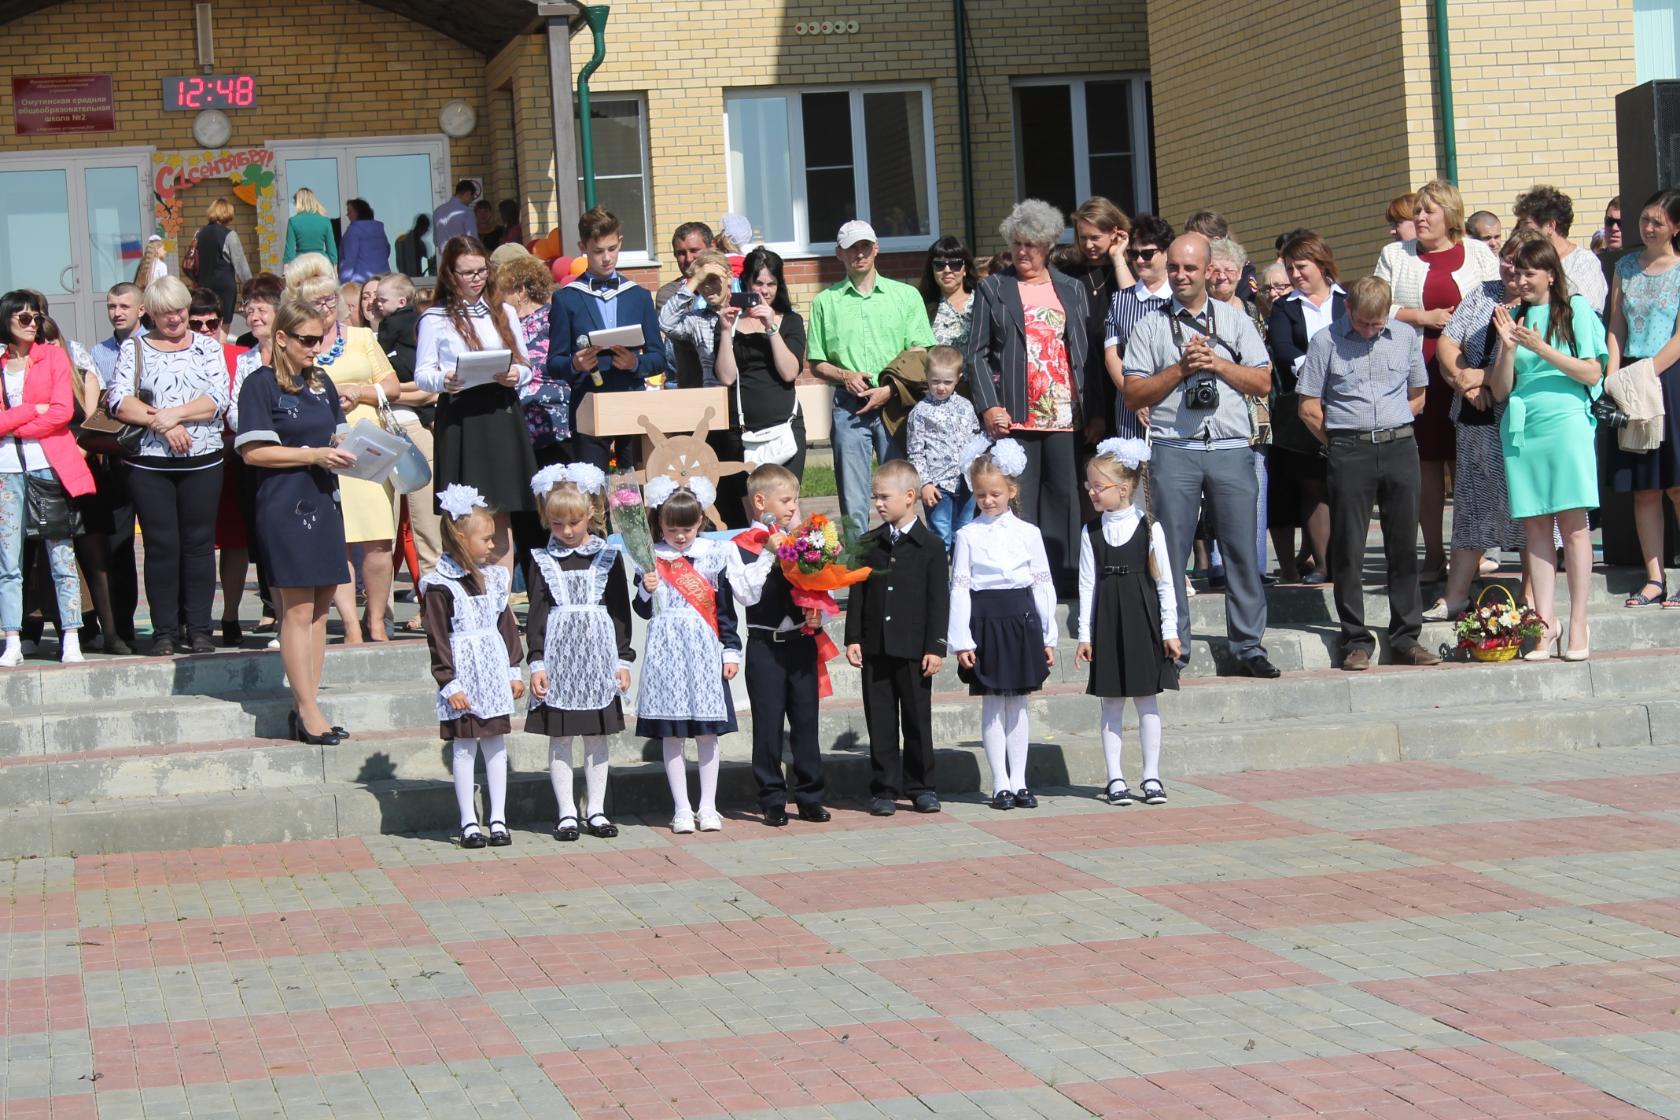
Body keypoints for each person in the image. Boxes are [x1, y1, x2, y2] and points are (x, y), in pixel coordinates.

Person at [1124, 232, 1278, 677]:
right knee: (1171, 553)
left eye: (1190, 268)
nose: (1180, 275)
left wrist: (1217, 364)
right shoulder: (1150, 325)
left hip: (1229, 446)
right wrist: (1180, 369)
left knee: (1241, 551)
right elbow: (1134, 394)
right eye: (1173, 267)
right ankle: (1175, 648)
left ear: (1208, 270)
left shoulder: (1234, 320)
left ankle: (1248, 647)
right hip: (1174, 447)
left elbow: (1263, 382)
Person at [1295, 276, 1439, 670]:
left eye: (1377, 324)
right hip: (1349, 448)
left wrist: (1392, 422)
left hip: (1399, 446)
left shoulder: (1404, 336)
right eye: (1362, 323)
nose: (1370, 331)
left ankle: (1406, 637)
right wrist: (1340, 441)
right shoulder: (1325, 341)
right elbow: (1308, 406)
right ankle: (1355, 639)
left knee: (1404, 546)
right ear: (1347, 308)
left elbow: (1419, 394)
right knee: (1348, 548)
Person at [235, 299, 354, 742]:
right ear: (281, 338)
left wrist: (353, 446)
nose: (315, 348)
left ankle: (307, 705)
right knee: (298, 608)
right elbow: (253, 453)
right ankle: (306, 710)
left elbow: (338, 431)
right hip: (285, 503)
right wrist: (312, 454)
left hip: (324, 498)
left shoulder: (320, 382)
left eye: (320, 339)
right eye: (306, 340)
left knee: (321, 609)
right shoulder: (260, 384)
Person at [1375, 180, 1500, 583]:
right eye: (1417, 211)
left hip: (1469, 369)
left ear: (1450, 215)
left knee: (1469, 464)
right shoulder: (1395, 254)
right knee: (1427, 464)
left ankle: (1471, 554)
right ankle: (1433, 554)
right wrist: (1421, 316)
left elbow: (1500, 299)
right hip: (1417, 368)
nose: (1420, 217)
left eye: (1429, 210)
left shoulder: (1478, 253)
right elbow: (1377, 305)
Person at [1489, 239, 1608, 661]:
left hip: (1566, 421)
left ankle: (1577, 622)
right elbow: (1499, 389)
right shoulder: (1513, 316)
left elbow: (1592, 371)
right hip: (1524, 426)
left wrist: (1542, 349)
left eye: (1529, 273)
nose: (1520, 280)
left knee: (1573, 525)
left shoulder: (1575, 310)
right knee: (1536, 527)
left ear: (1551, 274)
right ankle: (1544, 622)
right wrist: (1507, 349)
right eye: (1516, 272)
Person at [965, 200, 1091, 592]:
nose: (1023, 251)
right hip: (1015, 413)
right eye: (1017, 243)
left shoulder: (1071, 288)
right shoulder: (993, 288)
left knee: (1064, 495)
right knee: (1020, 495)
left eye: (1031, 245)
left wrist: (1096, 411)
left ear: (1048, 246)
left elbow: (1085, 352)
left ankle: (1064, 576)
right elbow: (975, 354)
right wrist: (989, 405)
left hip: (1065, 412)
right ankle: (1022, 576)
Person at [1429, 228, 1549, 620]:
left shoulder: (1541, 303)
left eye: (1521, 263)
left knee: (1529, 510)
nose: (1512, 270)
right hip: (1476, 420)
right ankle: (1455, 595)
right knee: (1471, 506)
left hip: (1520, 420)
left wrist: (1481, 376)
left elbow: (1528, 363)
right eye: (1507, 260)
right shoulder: (1484, 293)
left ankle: (1532, 598)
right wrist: (1463, 380)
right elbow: (1448, 342)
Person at [107, 276, 230, 655]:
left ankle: (200, 629)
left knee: (198, 545)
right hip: (149, 463)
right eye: (165, 313)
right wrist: (164, 424)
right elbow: (119, 401)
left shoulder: (208, 347)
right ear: (152, 315)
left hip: (203, 460)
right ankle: (164, 631)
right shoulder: (135, 347)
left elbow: (218, 399)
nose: (174, 319)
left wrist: (174, 415)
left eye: (179, 311)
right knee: (161, 546)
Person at [633, 477, 762, 834]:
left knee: (707, 733)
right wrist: (646, 590)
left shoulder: (713, 554)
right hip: (667, 650)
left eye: (687, 528)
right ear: (660, 523)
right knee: (672, 734)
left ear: (700, 521)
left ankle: (708, 806)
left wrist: (731, 651)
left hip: (705, 649)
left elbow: (725, 610)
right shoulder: (650, 556)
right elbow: (642, 610)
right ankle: (681, 808)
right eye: (672, 529)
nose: (680, 536)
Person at [285, 253, 401, 642]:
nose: (327, 307)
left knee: (378, 539)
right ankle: (351, 625)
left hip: (369, 447)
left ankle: (377, 620)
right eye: (317, 302)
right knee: (339, 541)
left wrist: (358, 390)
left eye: (331, 299)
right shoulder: (297, 345)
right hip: (325, 449)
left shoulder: (362, 338)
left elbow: (392, 385)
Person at [416, 236, 538, 571]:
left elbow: (527, 365)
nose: (476, 278)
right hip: (461, 415)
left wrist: (516, 374)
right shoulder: (435, 317)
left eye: (482, 271)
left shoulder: (504, 311)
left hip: (500, 410)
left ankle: (501, 599)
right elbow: (423, 374)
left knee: (501, 510)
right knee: (465, 513)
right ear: (450, 274)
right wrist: (444, 380)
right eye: (467, 273)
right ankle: (470, 588)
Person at [948, 439, 1057, 809]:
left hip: (1022, 619)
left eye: (995, 493)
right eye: (981, 494)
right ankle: (1000, 783)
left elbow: (1042, 584)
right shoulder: (967, 535)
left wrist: (1048, 635)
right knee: (993, 702)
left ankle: (1020, 781)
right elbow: (959, 589)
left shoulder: (1029, 533)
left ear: (1012, 490)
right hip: (986, 621)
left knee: (1019, 703)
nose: (988, 500)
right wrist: (962, 640)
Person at [526, 465, 632, 842]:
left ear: (590, 513)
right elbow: (536, 613)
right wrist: (536, 661)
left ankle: (597, 809)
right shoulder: (543, 559)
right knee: (561, 737)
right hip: (560, 658)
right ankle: (566, 811)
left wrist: (623, 659)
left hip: (598, 657)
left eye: (573, 522)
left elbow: (619, 611)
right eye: (557, 524)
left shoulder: (606, 556)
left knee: (596, 734)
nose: (567, 531)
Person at [809, 219, 935, 535]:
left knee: (900, 491)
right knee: (853, 497)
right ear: (839, 253)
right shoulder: (825, 301)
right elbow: (816, 361)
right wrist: (844, 374)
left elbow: (921, 352)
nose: (859, 254)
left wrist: (890, 388)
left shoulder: (905, 296)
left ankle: (902, 554)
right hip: (848, 405)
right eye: (852, 248)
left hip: (895, 403)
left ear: (876, 248)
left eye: (865, 246)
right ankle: (859, 560)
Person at [1075, 438, 1179, 806]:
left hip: (1141, 617)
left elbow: (1165, 583)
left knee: (1146, 700)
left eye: (1098, 486)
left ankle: (1151, 776)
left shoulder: (1149, 527)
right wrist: (1084, 634)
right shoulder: (1090, 532)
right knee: (1112, 703)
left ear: (1123, 488)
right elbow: (1086, 585)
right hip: (1108, 619)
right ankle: (1115, 778)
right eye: (1088, 486)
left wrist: (1170, 630)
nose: (1091, 492)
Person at [846, 459, 948, 815]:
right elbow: (858, 593)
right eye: (875, 497)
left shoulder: (930, 546)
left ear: (909, 496)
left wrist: (936, 646)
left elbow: (938, 600)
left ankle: (922, 785)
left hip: (914, 648)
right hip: (876, 646)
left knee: (917, 719)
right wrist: (853, 637)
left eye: (884, 497)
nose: (878, 504)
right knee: (881, 718)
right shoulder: (868, 543)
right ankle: (884, 787)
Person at [424, 484, 524, 848]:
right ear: (461, 540)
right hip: (464, 675)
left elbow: (505, 624)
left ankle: (498, 818)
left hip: (492, 670)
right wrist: (449, 683)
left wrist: (513, 670)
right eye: (486, 539)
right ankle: (468, 821)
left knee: (495, 744)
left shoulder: (494, 578)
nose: (492, 545)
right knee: (464, 747)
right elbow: (437, 637)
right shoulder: (440, 585)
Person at [0, 291, 93, 666]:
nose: (32, 323)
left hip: (47, 464)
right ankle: (12, 637)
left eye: (35, 317)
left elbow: (61, 411)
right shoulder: (0, 364)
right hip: (7, 469)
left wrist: (15, 426)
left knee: (60, 552)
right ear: (6, 320)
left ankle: (71, 635)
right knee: (8, 559)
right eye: (23, 318)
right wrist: (28, 410)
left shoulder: (53, 356)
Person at [737, 464, 828, 826]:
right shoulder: (742, 545)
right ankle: (772, 798)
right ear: (761, 502)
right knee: (768, 723)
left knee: (806, 721)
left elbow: (820, 587)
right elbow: (746, 594)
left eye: (795, 500)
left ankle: (810, 795)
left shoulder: (803, 539)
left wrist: (818, 613)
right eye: (786, 500)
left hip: (801, 642)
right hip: (765, 646)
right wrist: (769, 553)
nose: (793, 507)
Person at [546, 207, 668, 472]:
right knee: (592, 486)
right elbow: (553, 362)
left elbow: (659, 357)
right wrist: (575, 364)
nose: (606, 258)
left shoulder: (638, 296)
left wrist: (635, 363)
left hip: (632, 403)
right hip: (588, 403)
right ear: (583, 247)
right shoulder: (566, 299)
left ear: (620, 242)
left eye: (612, 249)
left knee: (635, 484)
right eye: (598, 251)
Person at [1608, 190, 1680, 608]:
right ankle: (1655, 578)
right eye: (1645, 220)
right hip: (1631, 377)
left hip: (1669, 377)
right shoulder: (1625, 267)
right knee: (1644, 487)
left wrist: (1646, 373)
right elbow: (1616, 324)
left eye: (1658, 222)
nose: (1648, 228)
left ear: (1676, 227)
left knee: (1676, 485)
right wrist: (1614, 375)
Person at [1267, 232, 1345, 584]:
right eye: (1290, 268)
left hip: (1349, 400)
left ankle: (1347, 562)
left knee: (1346, 485)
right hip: (1307, 403)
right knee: (1313, 486)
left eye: (1301, 267)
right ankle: (1325, 564)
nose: (1295, 275)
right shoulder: (1285, 307)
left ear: (1322, 263)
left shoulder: (1346, 300)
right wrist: (1314, 373)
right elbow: (1283, 348)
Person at [187, 286, 250, 647]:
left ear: (222, 322)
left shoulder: (239, 356)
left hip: (235, 458)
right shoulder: (178, 356)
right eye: (196, 324)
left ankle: (230, 615)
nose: (204, 330)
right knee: (196, 544)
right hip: (191, 458)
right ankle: (196, 617)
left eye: (211, 323)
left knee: (235, 543)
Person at [373, 272, 439, 606]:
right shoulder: (406, 325)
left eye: (379, 298)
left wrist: (377, 391)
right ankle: (385, 610)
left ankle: (433, 605)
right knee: (387, 532)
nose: (374, 304)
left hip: (409, 427)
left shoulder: (395, 327)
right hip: (389, 428)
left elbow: (425, 387)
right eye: (370, 298)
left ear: (400, 301)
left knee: (423, 527)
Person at [1103, 214, 1176, 440]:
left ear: (1167, 253)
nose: (1140, 260)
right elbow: (1112, 356)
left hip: (1176, 404)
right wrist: (1135, 396)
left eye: (1147, 254)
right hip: (1132, 408)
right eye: (1134, 254)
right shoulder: (1120, 300)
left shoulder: (1181, 297)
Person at [906, 345, 980, 548]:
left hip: (967, 481)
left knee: (965, 533)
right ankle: (939, 569)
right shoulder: (920, 412)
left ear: (958, 378)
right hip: (938, 485)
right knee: (940, 535)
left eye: (947, 382)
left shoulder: (966, 406)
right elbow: (915, 452)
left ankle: (961, 569)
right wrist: (925, 484)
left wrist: (978, 471)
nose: (941, 387)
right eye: (935, 381)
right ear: (926, 376)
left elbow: (976, 441)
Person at [1514, 185, 1609, 315]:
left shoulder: (1583, 261)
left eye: (1526, 223)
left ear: (1550, 226)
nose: (1520, 230)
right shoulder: (1525, 260)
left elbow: (1589, 312)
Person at [193, 198, 252, 322]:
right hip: (224, 287)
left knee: (208, 322)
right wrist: (251, 287)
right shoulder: (230, 235)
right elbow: (241, 266)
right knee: (224, 324)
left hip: (204, 286)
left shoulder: (200, 234)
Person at [918, 236, 977, 347]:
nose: (947, 270)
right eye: (939, 265)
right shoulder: (922, 307)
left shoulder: (982, 302)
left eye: (955, 264)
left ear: (965, 269)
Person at [654, 221, 715, 314]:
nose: (688, 259)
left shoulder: (732, 284)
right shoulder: (669, 294)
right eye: (681, 253)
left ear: (712, 247)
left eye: (694, 250)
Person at [91, 283, 145, 387]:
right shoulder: (98, 352)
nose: (117, 313)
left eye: (124, 307)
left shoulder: (156, 345)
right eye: (112, 307)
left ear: (141, 310)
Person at [338, 199, 390, 283]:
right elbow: (387, 250)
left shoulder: (353, 231)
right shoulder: (379, 230)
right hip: (383, 278)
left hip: (362, 282)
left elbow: (349, 259)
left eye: (349, 211)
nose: (347, 215)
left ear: (358, 212)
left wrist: (345, 283)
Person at [283, 188, 337, 265]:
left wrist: (286, 270)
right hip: (321, 263)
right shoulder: (325, 221)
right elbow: (332, 252)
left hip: (301, 264)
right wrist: (334, 270)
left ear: (299, 202)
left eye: (295, 202)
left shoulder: (293, 221)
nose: (294, 205)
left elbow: (289, 253)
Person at [432, 180, 479, 249]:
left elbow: (436, 241)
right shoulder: (467, 212)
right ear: (468, 193)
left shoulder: (438, 211)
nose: (471, 201)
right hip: (462, 253)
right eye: (472, 197)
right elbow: (473, 241)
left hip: (445, 255)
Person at [395, 214, 431, 279]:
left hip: (407, 279)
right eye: (426, 229)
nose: (426, 232)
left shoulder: (401, 240)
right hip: (412, 279)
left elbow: (399, 263)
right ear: (422, 228)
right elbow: (425, 267)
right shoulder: (421, 245)